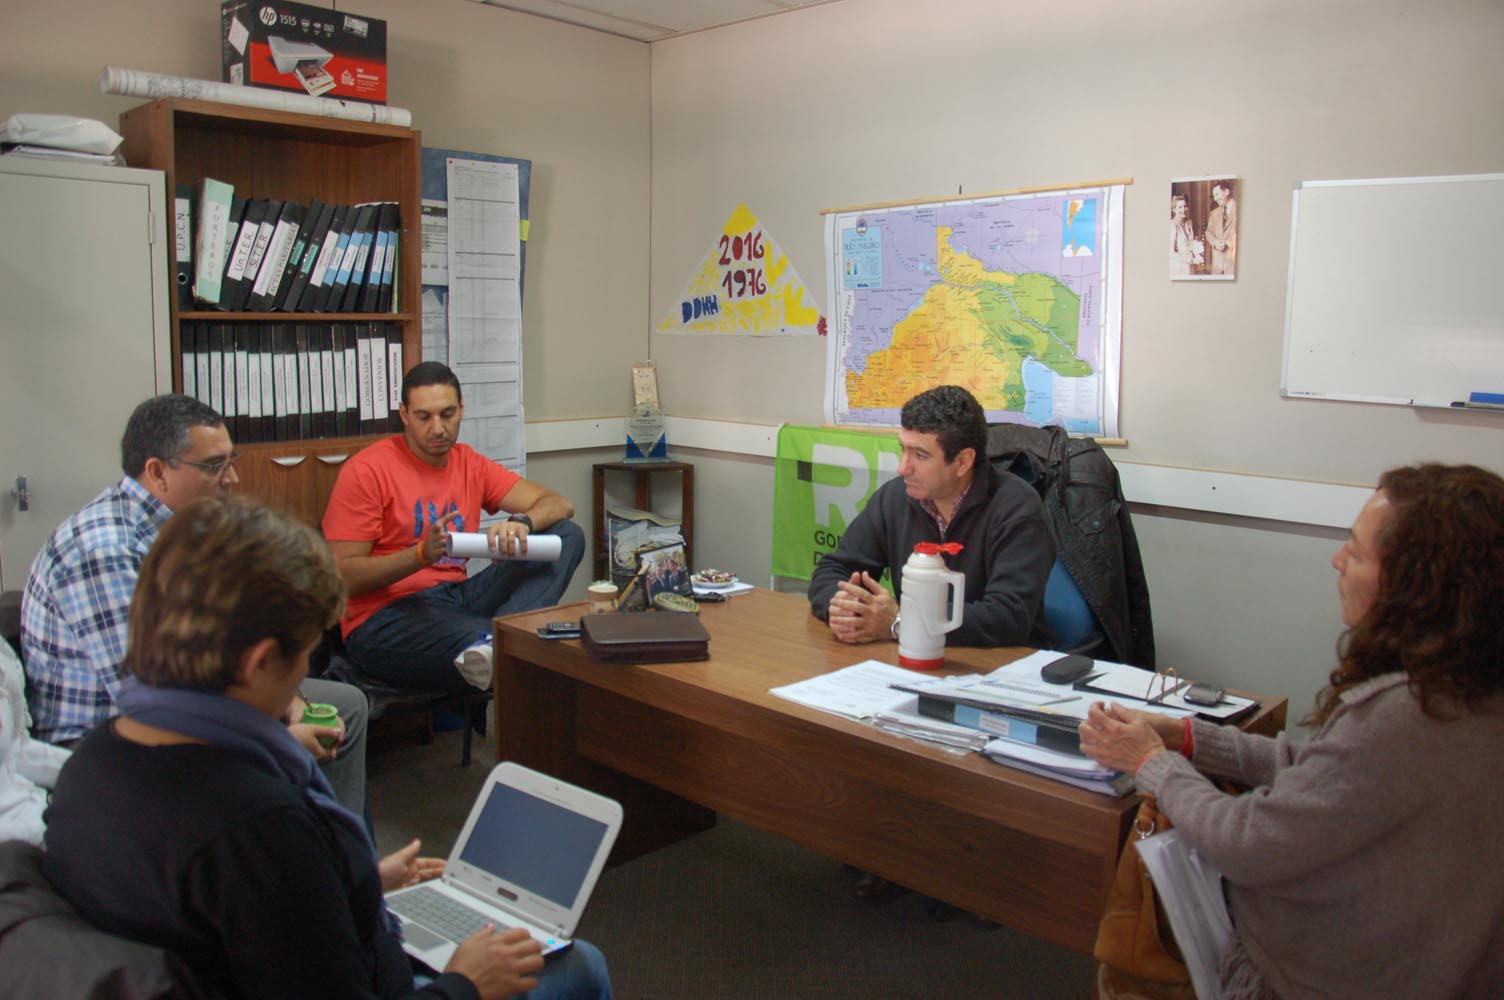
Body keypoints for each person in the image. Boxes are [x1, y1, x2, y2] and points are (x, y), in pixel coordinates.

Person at [41, 495, 612, 1000]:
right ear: (260, 662)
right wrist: (464, 982)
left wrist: (350, 882)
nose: (302, 682)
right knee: (581, 966)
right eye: (306, 656)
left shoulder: (89, 765)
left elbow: (240, 922)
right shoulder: (261, 829)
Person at [1080, 463, 1504, 1000]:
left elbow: (1245, 841)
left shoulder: (1406, 714)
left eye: (1355, 550)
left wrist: (1151, 763)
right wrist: (1189, 738)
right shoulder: (1470, 686)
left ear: (1416, 585)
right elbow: (1332, 777)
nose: (1337, 560)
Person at [20, 394, 369, 814]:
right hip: (108, 740)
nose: (232, 479)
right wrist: (268, 737)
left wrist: (290, 702)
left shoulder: (187, 528)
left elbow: (234, 635)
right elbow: (147, 692)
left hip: (182, 698)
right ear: (156, 472)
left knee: (344, 706)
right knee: (293, 741)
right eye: (213, 466)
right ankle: (314, 859)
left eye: (231, 460)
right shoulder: (103, 550)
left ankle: (341, 863)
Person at [323, 362, 585, 695]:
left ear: (462, 410)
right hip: (384, 620)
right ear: (404, 414)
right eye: (424, 417)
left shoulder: (468, 462)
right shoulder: (367, 470)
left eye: (447, 414)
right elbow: (342, 578)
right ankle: (498, 641)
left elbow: (560, 503)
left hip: (455, 598)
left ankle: (496, 639)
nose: (438, 428)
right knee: (526, 652)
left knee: (566, 535)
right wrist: (420, 554)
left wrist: (521, 523)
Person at [808, 384, 1054, 649]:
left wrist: (901, 621)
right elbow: (833, 570)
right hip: (914, 655)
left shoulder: (1017, 507)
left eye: (920, 455)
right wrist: (845, 608)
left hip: (997, 667)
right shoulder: (895, 498)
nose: (903, 468)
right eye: (903, 449)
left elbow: (1008, 618)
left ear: (962, 462)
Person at [1204, 180, 1237, 275]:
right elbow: (1208, 232)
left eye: (1217, 194)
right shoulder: (1213, 213)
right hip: (1217, 267)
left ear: (1226, 192)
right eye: (1214, 196)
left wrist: (1227, 243)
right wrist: (1215, 242)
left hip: (1232, 267)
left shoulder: (1240, 210)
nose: (1215, 198)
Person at [1168, 194, 1202, 276]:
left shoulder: (1189, 222)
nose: (1184, 209)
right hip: (1178, 266)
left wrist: (1197, 255)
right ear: (1174, 209)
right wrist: (1191, 260)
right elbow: (1171, 253)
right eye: (1180, 207)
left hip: (1190, 267)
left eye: (1185, 206)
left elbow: (1192, 243)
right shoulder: (1172, 225)